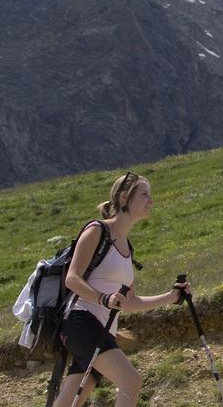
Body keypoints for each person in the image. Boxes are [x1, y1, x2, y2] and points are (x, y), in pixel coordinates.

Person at [53, 172, 190, 407]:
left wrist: (172, 296)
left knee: (71, 399)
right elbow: (72, 279)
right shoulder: (97, 231)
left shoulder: (126, 246)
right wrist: (103, 299)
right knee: (131, 380)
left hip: (100, 328)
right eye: (145, 194)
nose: (151, 201)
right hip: (81, 321)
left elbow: (130, 302)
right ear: (125, 198)